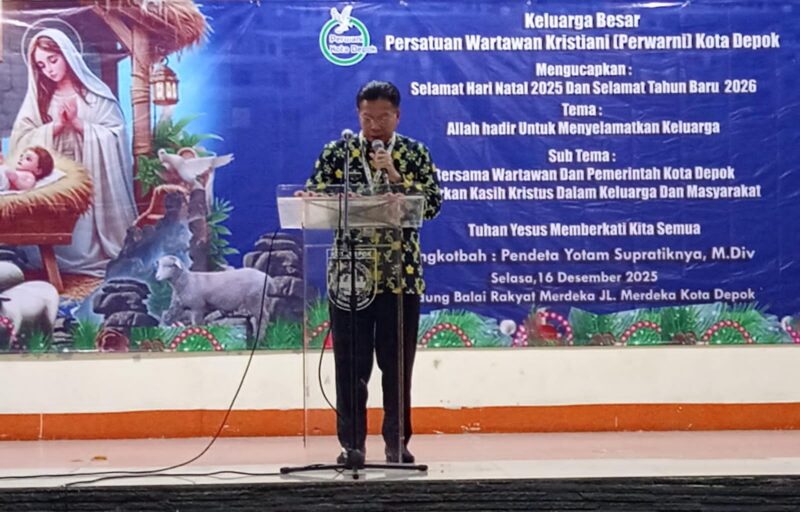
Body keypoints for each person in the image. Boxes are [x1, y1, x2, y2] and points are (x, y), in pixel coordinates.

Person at [305, 80, 442, 465]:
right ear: (358, 115)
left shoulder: (414, 153)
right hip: (351, 275)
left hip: (400, 275)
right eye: (367, 118)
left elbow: (432, 205)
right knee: (351, 364)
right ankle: (352, 445)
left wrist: (396, 176)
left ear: (398, 116)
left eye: (383, 118)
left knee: (397, 365)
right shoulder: (338, 152)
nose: (375, 126)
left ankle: (397, 442)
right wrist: (330, 200)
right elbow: (314, 194)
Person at [9, 28, 137, 275]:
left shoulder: (96, 96)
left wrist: (79, 125)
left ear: (67, 55)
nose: (49, 70)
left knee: (82, 242)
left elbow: (115, 135)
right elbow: (21, 139)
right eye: (41, 65)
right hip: (53, 181)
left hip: (91, 183)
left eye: (53, 60)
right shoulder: (40, 100)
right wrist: (55, 127)